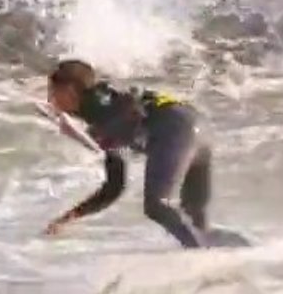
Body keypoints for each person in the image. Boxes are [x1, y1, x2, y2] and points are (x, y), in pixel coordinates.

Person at [42, 59, 212, 248]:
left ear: (70, 90)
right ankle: (221, 259)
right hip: (197, 128)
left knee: (156, 205)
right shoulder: (99, 112)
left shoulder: (99, 102)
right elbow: (114, 186)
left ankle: (202, 255)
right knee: (193, 215)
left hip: (178, 129)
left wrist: (97, 135)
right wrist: (70, 217)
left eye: (53, 92)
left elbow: (131, 104)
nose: (51, 100)